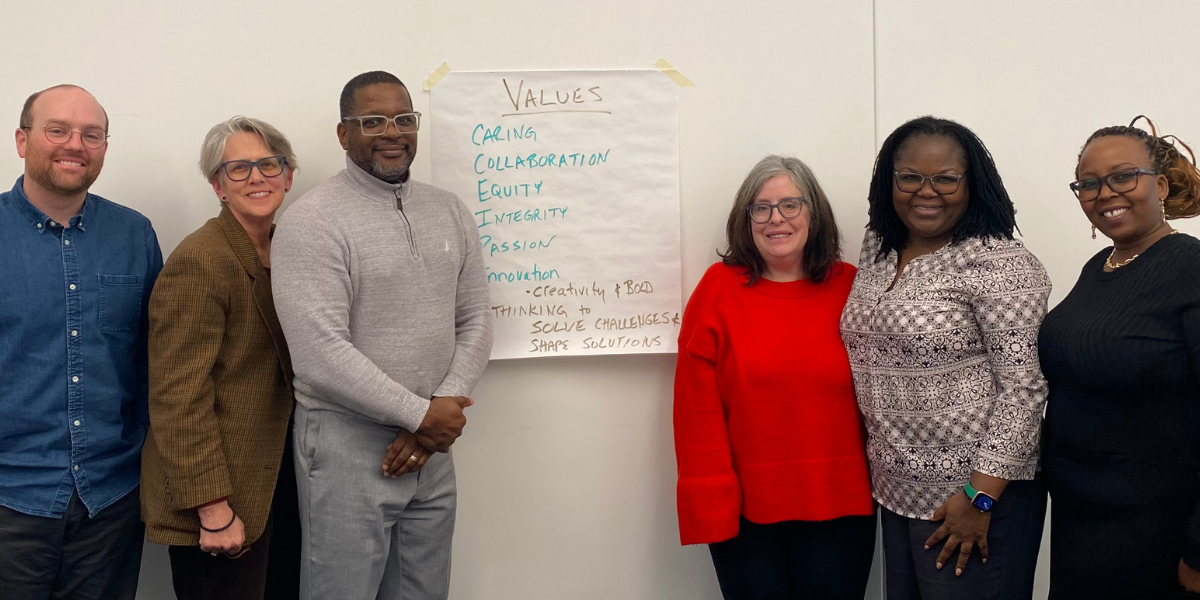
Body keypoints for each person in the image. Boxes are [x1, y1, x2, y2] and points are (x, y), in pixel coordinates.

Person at [272, 70, 493, 600]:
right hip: (346, 443)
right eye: (372, 120)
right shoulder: (313, 221)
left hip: (432, 447)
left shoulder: (450, 210)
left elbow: (477, 315)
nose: (391, 132)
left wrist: (435, 412)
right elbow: (320, 353)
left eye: (403, 119)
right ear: (344, 134)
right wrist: (420, 416)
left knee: (423, 592)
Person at [839, 116, 1050, 600]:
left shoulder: (1000, 263)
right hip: (895, 492)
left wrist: (979, 498)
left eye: (946, 178)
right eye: (909, 177)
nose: (925, 191)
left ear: (972, 183)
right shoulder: (880, 251)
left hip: (974, 498)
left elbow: (1025, 389)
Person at [673, 155, 876, 599]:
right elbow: (696, 414)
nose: (775, 219)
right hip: (745, 519)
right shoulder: (718, 291)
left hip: (842, 511)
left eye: (790, 205)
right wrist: (709, 506)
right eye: (760, 208)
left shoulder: (854, 289)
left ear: (813, 213)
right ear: (745, 219)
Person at [0, 84, 162, 599]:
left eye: (91, 134)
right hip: (10, 502)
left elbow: (151, 361)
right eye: (58, 130)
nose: (76, 143)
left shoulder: (135, 234)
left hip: (110, 504)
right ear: (23, 141)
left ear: (105, 148)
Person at [140, 116, 302, 599]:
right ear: (218, 186)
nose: (257, 177)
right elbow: (177, 395)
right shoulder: (201, 260)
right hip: (219, 499)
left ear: (289, 176)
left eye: (269, 164)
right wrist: (213, 508)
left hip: (274, 482)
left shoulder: (288, 251)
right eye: (238, 168)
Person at [1040, 116, 1200, 599]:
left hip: (1156, 529)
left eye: (1123, 176)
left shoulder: (1190, 269)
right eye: (1089, 183)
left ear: (1162, 185)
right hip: (1078, 517)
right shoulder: (1100, 266)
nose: (1105, 192)